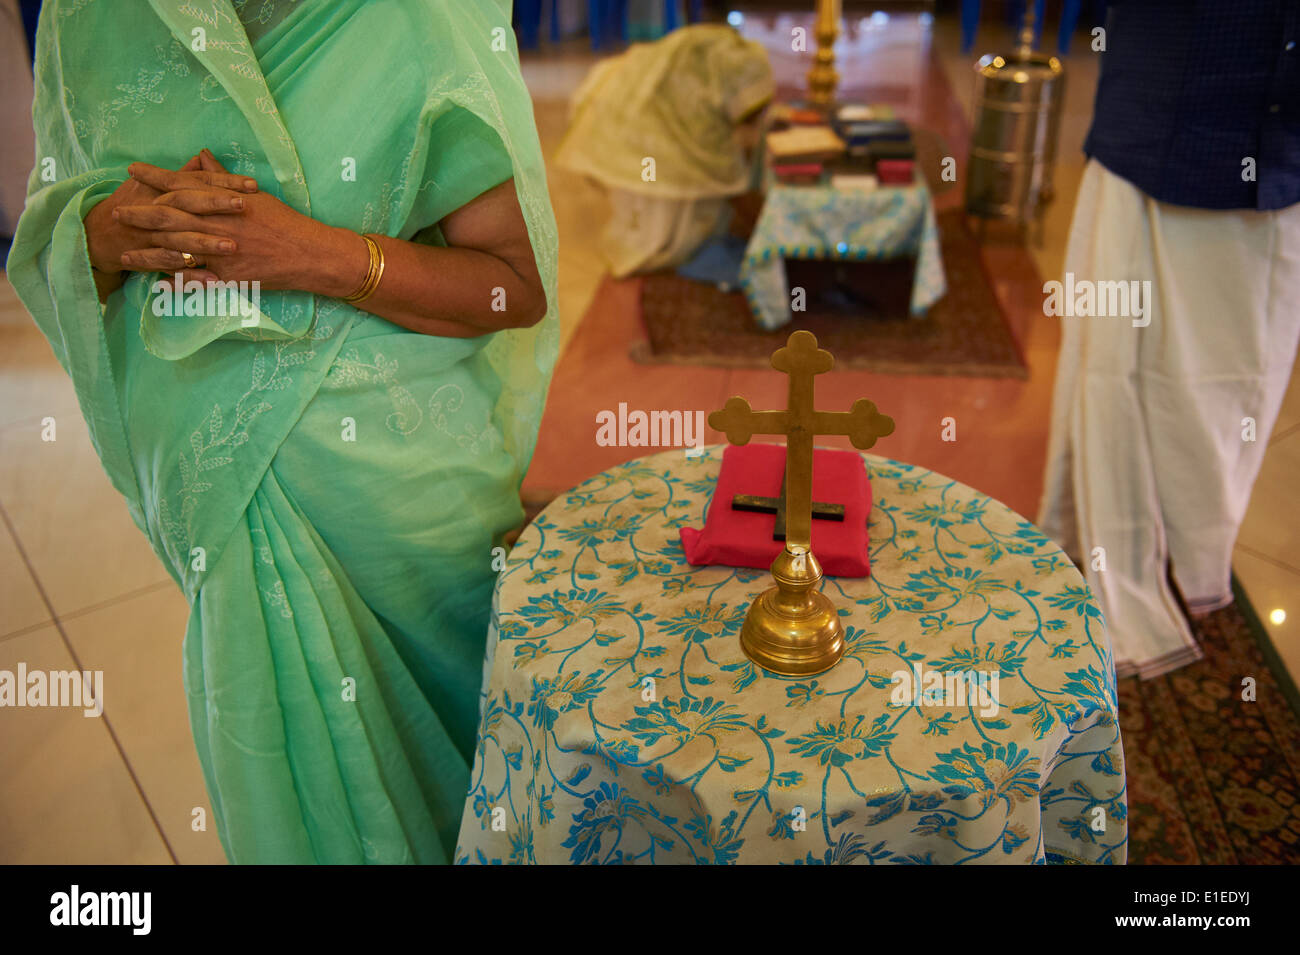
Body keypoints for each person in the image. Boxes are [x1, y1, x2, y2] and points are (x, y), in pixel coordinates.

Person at [7, 0, 558, 863]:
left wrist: (309, 252)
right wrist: (109, 232)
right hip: (219, 495)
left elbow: (511, 285)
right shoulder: (90, 17)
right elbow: (54, 239)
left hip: (400, 500)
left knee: (472, 794)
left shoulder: (419, 16)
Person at [1039, 0, 1300, 677]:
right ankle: (1112, 553)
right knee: (1119, 388)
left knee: (1235, 393)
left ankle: (1188, 558)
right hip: (1159, 137)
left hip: (1279, 171)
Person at [555, 23, 773, 277]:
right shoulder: (688, 98)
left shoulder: (716, 72)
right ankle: (658, 234)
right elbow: (726, 177)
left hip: (623, 85)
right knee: (661, 186)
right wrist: (763, 224)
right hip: (626, 108)